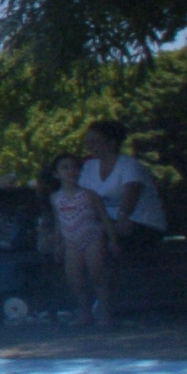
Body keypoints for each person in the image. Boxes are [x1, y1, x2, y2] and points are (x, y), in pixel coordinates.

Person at [81, 120, 166, 254]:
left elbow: (129, 202)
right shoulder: (88, 167)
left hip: (140, 223)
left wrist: (114, 226)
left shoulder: (130, 166)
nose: (89, 145)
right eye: (87, 141)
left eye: (94, 141)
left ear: (112, 143)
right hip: (106, 224)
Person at [46, 155, 110, 327]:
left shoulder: (89, 194)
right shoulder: (55, 198)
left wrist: (112, 240)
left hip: (92, 237)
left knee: (97, 275)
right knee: (75, 280)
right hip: (70, 241)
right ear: (56, 173)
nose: (70, 171)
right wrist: (58, 244)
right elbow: (58, 221)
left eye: (74, 167)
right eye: (65, 167)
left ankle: (104, 313)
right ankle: (84, 313)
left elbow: (103, 217)